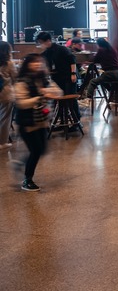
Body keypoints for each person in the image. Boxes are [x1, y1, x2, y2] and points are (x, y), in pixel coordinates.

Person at [14, 54, 63, 192]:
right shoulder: (22, 81)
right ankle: (27, 180)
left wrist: (47, 91)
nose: (37, 64)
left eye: (39, 62)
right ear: (27, 64)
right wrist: (40, 97)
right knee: (36, 150)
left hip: (42, 121)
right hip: (27, 123)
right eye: (33, 62)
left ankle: (20, 164)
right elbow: (21, 103)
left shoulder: (45, 79)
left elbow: (59, 92)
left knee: (41, 149)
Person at [36, 31, 77, 97]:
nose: (40, 44)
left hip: (68, 76)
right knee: (59, 97)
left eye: (41, 42)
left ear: (48, 40)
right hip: (56, 77)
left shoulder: (61, 49)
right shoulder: (46, 53)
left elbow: (72, 60)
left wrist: (73, 74)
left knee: (70, 98)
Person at [0, 41, 16, 149]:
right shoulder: (9, 63)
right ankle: (2, 142)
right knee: (5, 119)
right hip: (6, 93)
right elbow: (15, 77)